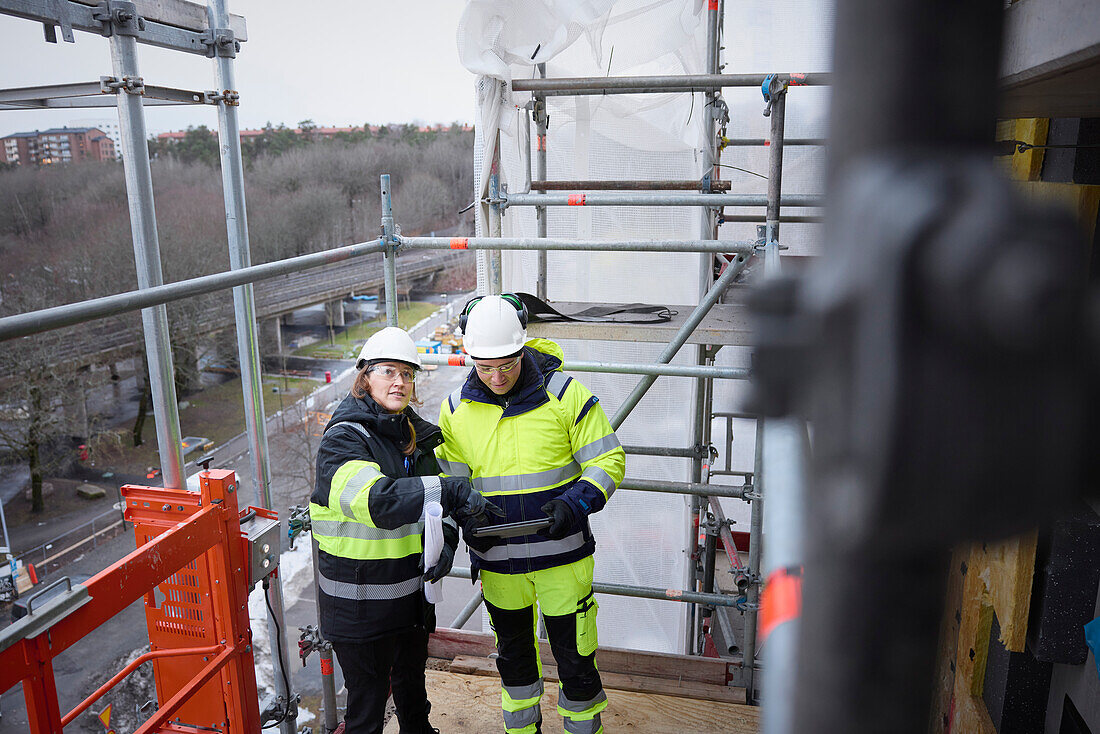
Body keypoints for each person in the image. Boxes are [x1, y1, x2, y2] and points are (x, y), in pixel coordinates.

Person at [436, 294, 626, 734]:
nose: (497, 376)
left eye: (507, 364)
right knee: (515, 666)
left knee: (576, 663)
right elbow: (451, 486)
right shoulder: (454, 412)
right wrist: (462, 521)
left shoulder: (564, 395)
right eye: (485, 367)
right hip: (500, 563)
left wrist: (576, 501)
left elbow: (608, 459)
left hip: (563, 557)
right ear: (471, 359)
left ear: (523, 349)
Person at [310, 326, 500, 734]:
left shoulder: (413, 436)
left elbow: (439, 505)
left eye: (407, 374)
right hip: (360, 608)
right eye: (388, 371)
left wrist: (447, 541)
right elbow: (379, 501)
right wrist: (449, 491)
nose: (399, 381)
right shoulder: (343, 440)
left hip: (410, 600)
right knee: (368, 709)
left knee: (413, 692)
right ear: (364, 377)